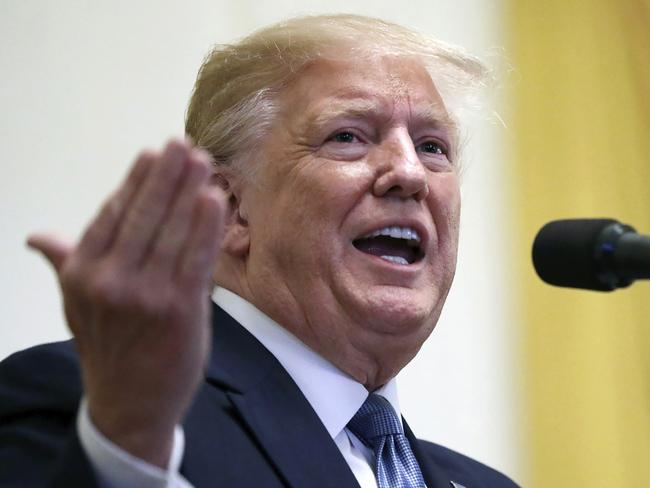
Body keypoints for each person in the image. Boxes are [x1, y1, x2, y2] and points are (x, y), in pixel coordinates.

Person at [0, 14, 518, 488]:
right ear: (230, 208)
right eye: (348, 136)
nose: (409, 173)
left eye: (433, 147)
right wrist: (127, 445)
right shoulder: (99, 413)